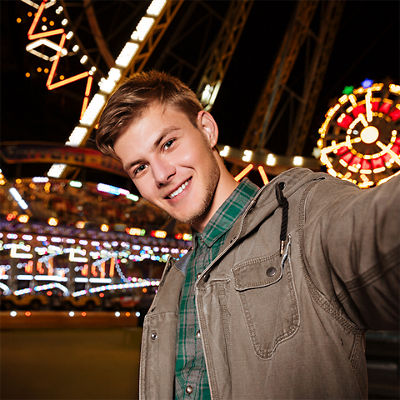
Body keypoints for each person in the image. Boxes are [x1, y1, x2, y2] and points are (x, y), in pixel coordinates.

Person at [96, 70, 399, 399]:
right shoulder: (174, 284)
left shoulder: (303, 215)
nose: (161, 174)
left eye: (168, 144)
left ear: (207, 129)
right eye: (140, 167)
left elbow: (376, 232)